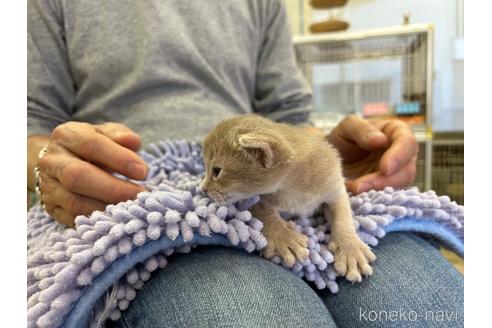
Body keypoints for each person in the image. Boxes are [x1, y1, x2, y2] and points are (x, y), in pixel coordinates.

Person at [27, 1, 463, 327]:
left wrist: (332, 154)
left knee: (426, 304)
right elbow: (29, 119)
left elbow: (288, 116)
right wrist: (44, 161)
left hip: (256, 165)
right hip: (139, 173)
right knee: (253, 313)